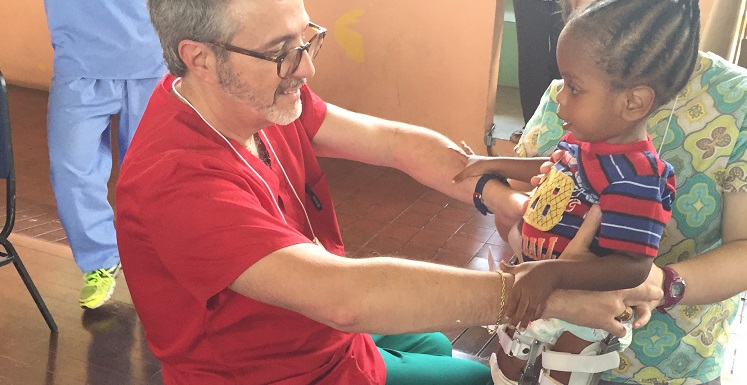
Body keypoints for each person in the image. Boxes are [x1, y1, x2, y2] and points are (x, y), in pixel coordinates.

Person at [113, 0, 662, 384]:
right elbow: (343, 298)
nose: (304, 67)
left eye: (306, 37)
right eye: (281, 49)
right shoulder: (176, 181)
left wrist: (508, 203)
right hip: (273, 370)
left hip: (321, 335)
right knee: (482, 378)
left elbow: (395, 143)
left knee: (439, 347)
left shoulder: (254, 99)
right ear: (201, 58)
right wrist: (549, 290)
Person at [497, 0, 747, 383]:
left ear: (636, 101)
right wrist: (535, 254)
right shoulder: (570, 84)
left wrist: (658, 285)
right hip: (540, 344)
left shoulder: (736, 101)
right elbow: (518, 206)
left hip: (669, 367)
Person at [453, 1, 696, 384]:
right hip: (539, 281)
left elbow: (633, 264)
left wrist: (550, 274)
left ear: (633, 102)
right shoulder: (584, 142)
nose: (560, 99)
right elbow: (554, 167)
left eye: (574, 88)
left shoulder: (638, 177)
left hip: (581, 305)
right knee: (506, 362)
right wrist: (492, 164)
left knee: (565, 372)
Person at [44, 0, 166, 309]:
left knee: (153, 174)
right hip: (79, 60)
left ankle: (157, 260)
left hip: (151, 59)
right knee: (70, 167)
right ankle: (100, 259)